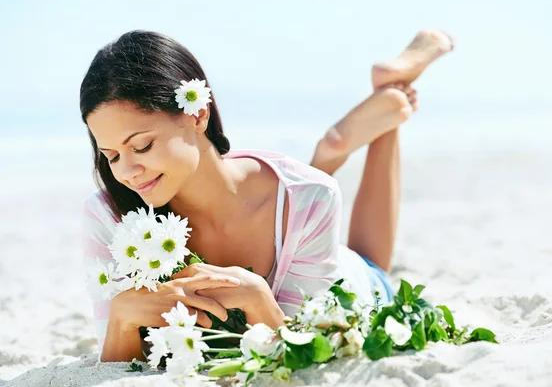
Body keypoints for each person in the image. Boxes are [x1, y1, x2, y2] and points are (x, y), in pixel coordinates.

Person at [80, 29, 454, 362]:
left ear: (197, 115)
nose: (126, 172)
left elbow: (305, 347)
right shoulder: (108, 217)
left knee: (374, 266)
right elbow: (119, 363)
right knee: (313, 192)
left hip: (347, 283)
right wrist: (121, 316)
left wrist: (260, 298)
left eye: (142, 146)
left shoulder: (308, 196)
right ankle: (336, 146)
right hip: (298, 220)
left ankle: (387, 112)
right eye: (110, 155)